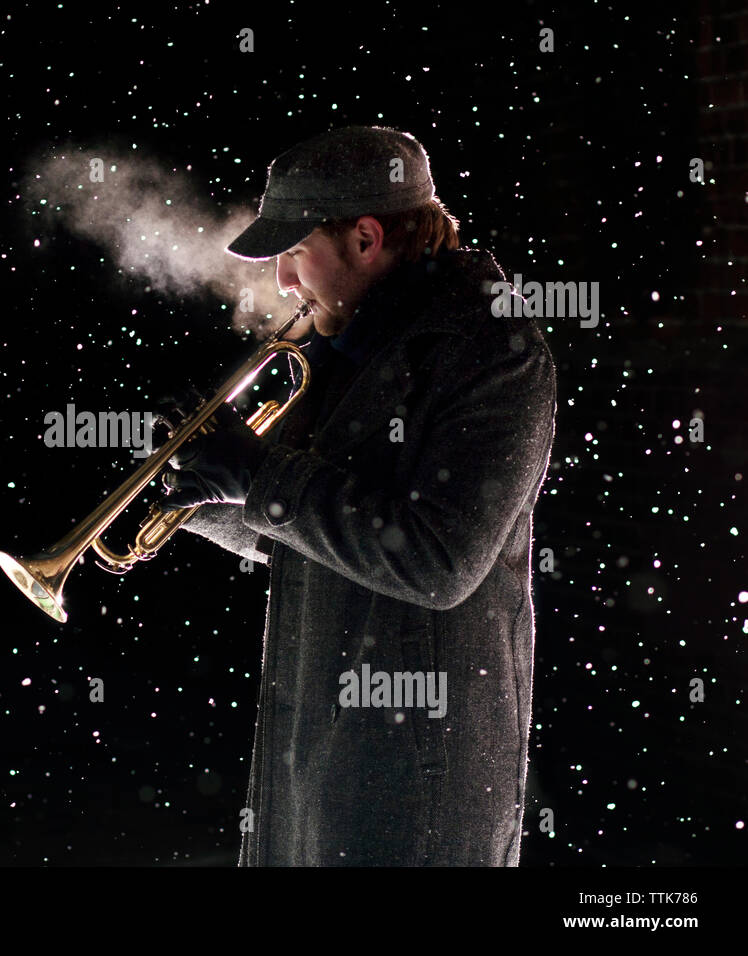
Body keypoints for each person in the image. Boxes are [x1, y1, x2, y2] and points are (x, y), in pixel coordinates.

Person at [156, 126, 557, 866]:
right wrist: (204, 499)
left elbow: (440, 560)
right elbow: (315, 541)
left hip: (415, 779)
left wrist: (257, 479)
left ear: (366, 238)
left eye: (293, 252)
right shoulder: (345, 344)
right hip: (319, 755)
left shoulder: (493, 349)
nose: (280, 282)